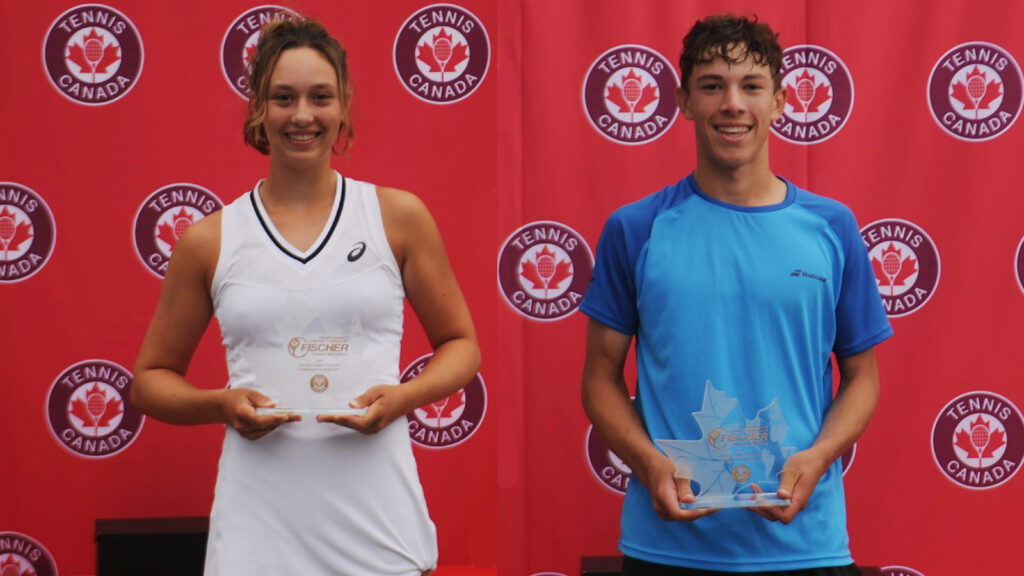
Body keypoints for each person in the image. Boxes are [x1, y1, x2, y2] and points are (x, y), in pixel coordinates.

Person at [131, 18, 480, 576]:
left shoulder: (398, 217)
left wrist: (402, 399)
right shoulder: (210, 239)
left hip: (379, 529)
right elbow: (149, 382)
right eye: (283, 97)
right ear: (258, 110)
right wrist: (221, 404)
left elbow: (462, 345)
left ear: (343, 107)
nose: (302, 116)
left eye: (320, 97)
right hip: (256, 537)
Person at [580, 14, 892, 576]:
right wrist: (651, 463)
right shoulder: (636, 228)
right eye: (711, 85)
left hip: (806, 545)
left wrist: (819, 456)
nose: (732, 103)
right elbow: (599, 379)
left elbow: (862, 378)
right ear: (683, 100)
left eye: (751, 86)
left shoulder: (833, 227)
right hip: (668, 551)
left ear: (779, 101)